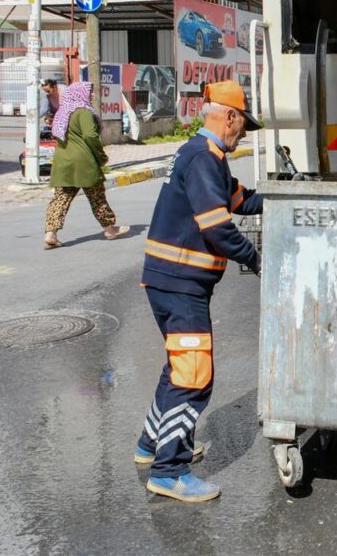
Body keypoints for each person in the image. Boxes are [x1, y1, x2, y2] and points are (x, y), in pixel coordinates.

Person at [135, 80, 263, 503]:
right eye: (243, 125)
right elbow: (217, 226)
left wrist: (282, 194)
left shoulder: (203, 154)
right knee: (194, 378)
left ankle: (151, 445)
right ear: (229, 116)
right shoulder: (204, 158)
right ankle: (169, 470)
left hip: (168, 281)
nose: (243, 133)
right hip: (180, 285)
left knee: (178, 367)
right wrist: (257, 258)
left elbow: (238, 200)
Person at [43, 81, 129, 249]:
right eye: (88, 93)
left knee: (61, 198)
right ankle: (110, 229)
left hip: (63, 162)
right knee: (97, 197)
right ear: (79, 94)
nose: (91, 96)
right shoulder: (83, 112)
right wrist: (101, 155)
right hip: (83, 162)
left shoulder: (63, 112)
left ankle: (50, 234)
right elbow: (90, 136)